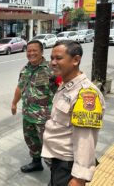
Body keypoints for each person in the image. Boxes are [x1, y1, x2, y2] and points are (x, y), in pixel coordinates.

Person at [41, 40, 105, 186]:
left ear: (76, 60)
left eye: (58, 58)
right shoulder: (66, 85)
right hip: (58, 162)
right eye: (51, 58)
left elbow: (85, 139)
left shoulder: (86, 94)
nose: (53, 62)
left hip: (68, 167)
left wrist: (79, 178)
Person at [11, 40, 59, 173]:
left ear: (42, 52)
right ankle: (36, 163)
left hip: (45, 118)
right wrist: (14, 103)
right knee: (31, 141)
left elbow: (63, 89)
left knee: (49, 146)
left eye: (34, 50)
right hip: (28, 115)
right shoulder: (25, 69)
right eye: (29, 51)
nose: (31, 53)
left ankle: (56, 176)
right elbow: (20, 88)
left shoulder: (52, 69)